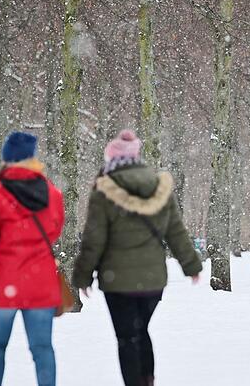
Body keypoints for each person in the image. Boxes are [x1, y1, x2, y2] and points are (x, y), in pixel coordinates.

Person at [73, 129, 202, 386]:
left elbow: (94, 238)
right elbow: (175, 231)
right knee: (141, 331)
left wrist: (83, 275)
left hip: (117, 281)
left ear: (111, 158)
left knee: (127, 338)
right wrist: (191, 265)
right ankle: (147, 381)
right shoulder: (158, 186)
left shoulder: (104, 189)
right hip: (153, 280)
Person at [0, 131, 65, 386]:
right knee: (42, 350)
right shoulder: (51, 194)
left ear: (7, 158)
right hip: (40, 284)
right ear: (32, 158)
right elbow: (55, 229)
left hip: (2, 286)